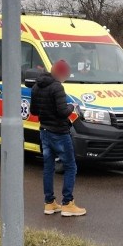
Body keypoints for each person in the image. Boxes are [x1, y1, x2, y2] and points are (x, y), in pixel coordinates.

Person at [30, 60, 86, 217]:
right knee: (71, 166)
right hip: (60, 133)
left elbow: (33, 110)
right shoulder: (57, 87)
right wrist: (72, 107)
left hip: (44, 132)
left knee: (48, 168)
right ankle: (67, 203)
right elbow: (62, 112)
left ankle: (49, 203)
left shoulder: (36, 86)